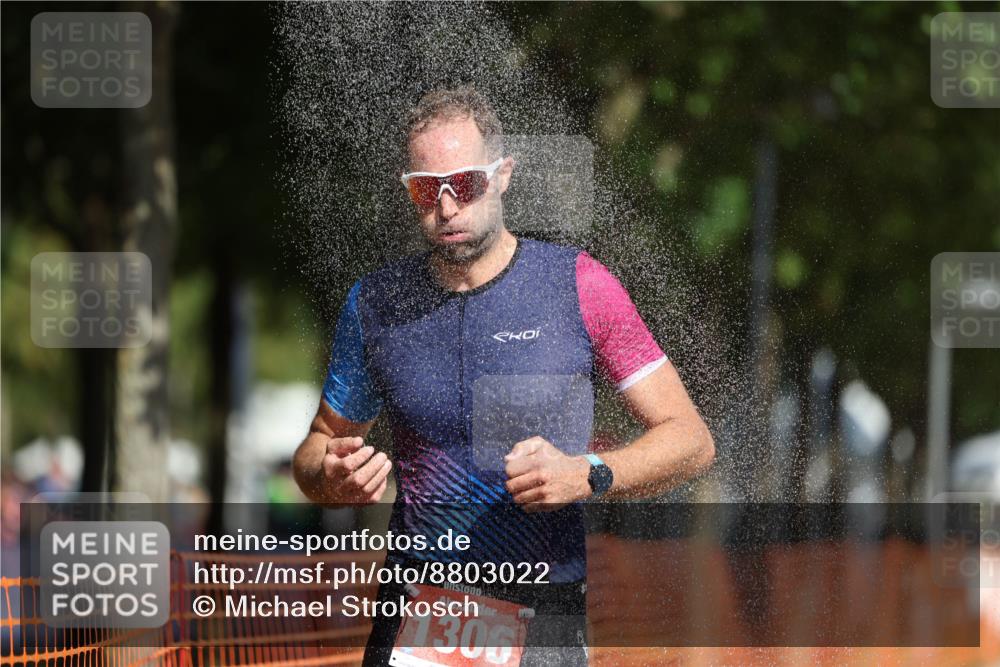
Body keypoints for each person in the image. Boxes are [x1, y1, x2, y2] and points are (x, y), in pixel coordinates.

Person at [293, 85, 715, 666]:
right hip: (420, 615)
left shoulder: (577, 285)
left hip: (544, 618)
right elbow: (317, 448)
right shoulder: (376, 304)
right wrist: (328, 474)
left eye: (465, 184)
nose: (446, 208)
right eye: (425, 189)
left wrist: (587, 474)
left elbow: (690, 440)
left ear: (503, 175)